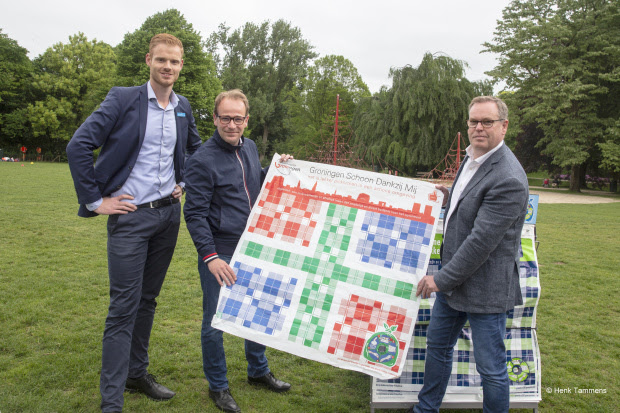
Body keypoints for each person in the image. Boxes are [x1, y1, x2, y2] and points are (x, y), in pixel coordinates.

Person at [66, 33, 201, 413]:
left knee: (148, 300)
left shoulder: (183, 106)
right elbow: (78, 145)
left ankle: (136, 374)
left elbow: (193, 149)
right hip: (130, 218)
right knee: (123, 306)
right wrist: (96, 201)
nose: (168, 67)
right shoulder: (122, 99)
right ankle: (112, 402)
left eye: (174, 62)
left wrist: (184, 182)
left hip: (167, 217)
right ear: (148, 61)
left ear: (181, 65)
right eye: (161, 60)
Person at [412, 96, 529, 413]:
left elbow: (481, 241)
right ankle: (426, 409)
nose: (479, 127)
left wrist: (440, 280)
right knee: (437, 348)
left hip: (484, 288)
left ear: (503, 126)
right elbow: (469, 204)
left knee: (491, 368)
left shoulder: (508, 177)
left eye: (487, 122)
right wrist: (446, 196)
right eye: (473, 121)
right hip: (452, 283)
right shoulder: (473, 157)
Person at [184, 89, 292, 413]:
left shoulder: (251, 147)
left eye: (238, 118)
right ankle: (218, 387)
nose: (232, 125)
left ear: (247, 120)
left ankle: (258, 371)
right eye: (225, 118)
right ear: (215, 118)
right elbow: (194, 214)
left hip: (254, 246)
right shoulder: (202, 160)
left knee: (257, 312)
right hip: (221, 252)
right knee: (215, 321)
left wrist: (275, 170)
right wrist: (211, 256)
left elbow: (252, 183)